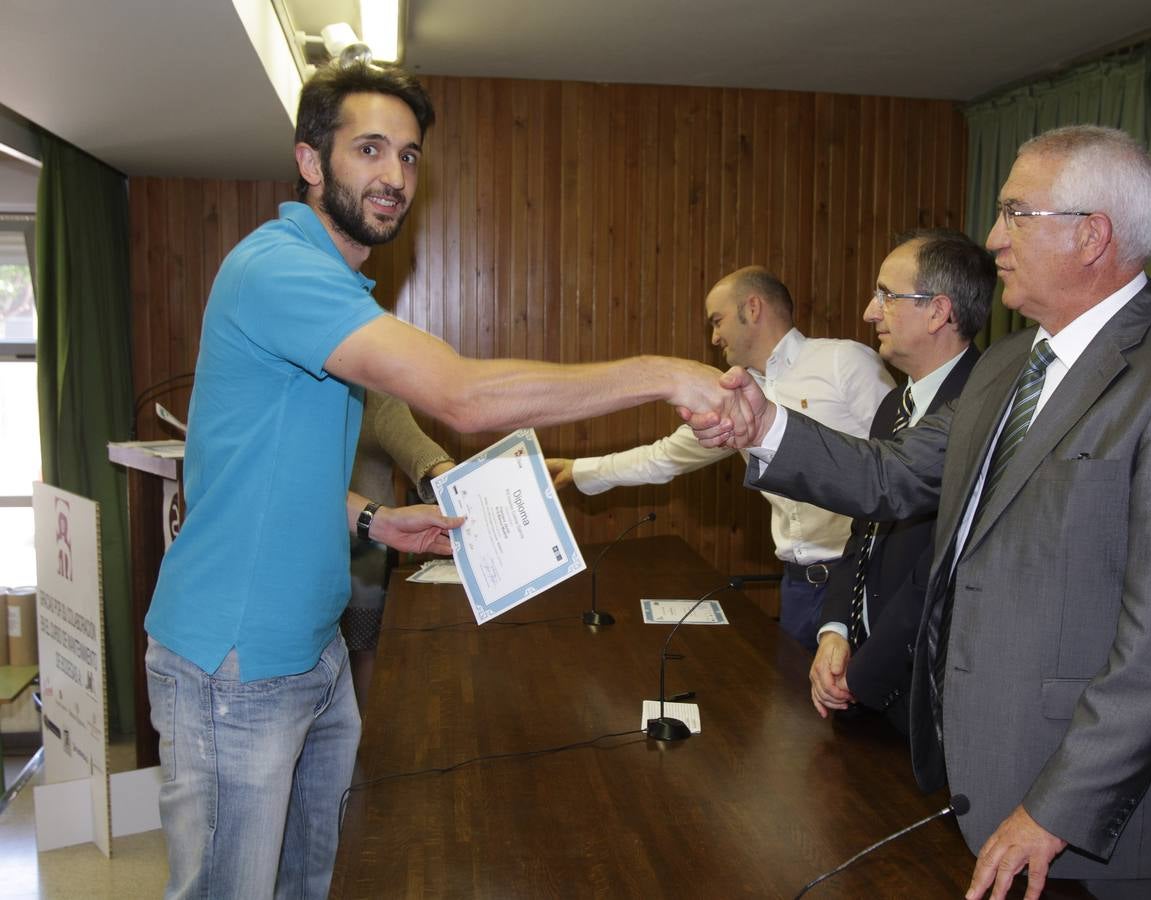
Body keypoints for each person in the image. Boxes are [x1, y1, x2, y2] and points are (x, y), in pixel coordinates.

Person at [143, 61, 746, 900]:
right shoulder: (280, 270)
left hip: (312, 649)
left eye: (410, 156)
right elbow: (461, 397)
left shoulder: (334, 283)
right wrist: (661, 373)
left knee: (311, 883)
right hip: (235, 661)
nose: (394, 176)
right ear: (312, 163)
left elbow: (257, 467)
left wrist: (370, 522)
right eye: (369, 150)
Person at [696, 126, 1151, 899]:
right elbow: (893, 477)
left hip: (1099, 826)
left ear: (1091, 234)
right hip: (977, 778)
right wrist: (763, 426)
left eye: (1015, 213)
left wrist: (1054, 807)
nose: (994, 238)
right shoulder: (1007, 366)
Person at [548, 265, 893, 648]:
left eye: (717, 320)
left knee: (861, 705)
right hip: (797, 585)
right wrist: (579, 470)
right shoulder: (734, 395)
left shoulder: (844, 363)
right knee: (795, 704)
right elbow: (665, 456)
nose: (714, 337)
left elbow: (898, 466)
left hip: (863, 579)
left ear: (754, 307)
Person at [809, 228, 992, 733]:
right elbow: (863, 531)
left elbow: (941, 569)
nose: (871, 312)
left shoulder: (984, 407)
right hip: (866, 678)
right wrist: (836, 631)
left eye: (887, 296)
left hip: (927, 698)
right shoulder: (894, 403)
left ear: (938, 311)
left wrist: (865, 674)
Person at [346, 390, 455, 710]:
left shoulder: (376, 397)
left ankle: (361, 744)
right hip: (305, 545)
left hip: (366, 548)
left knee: (363, 647)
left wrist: (465, 487)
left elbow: (420, 450)